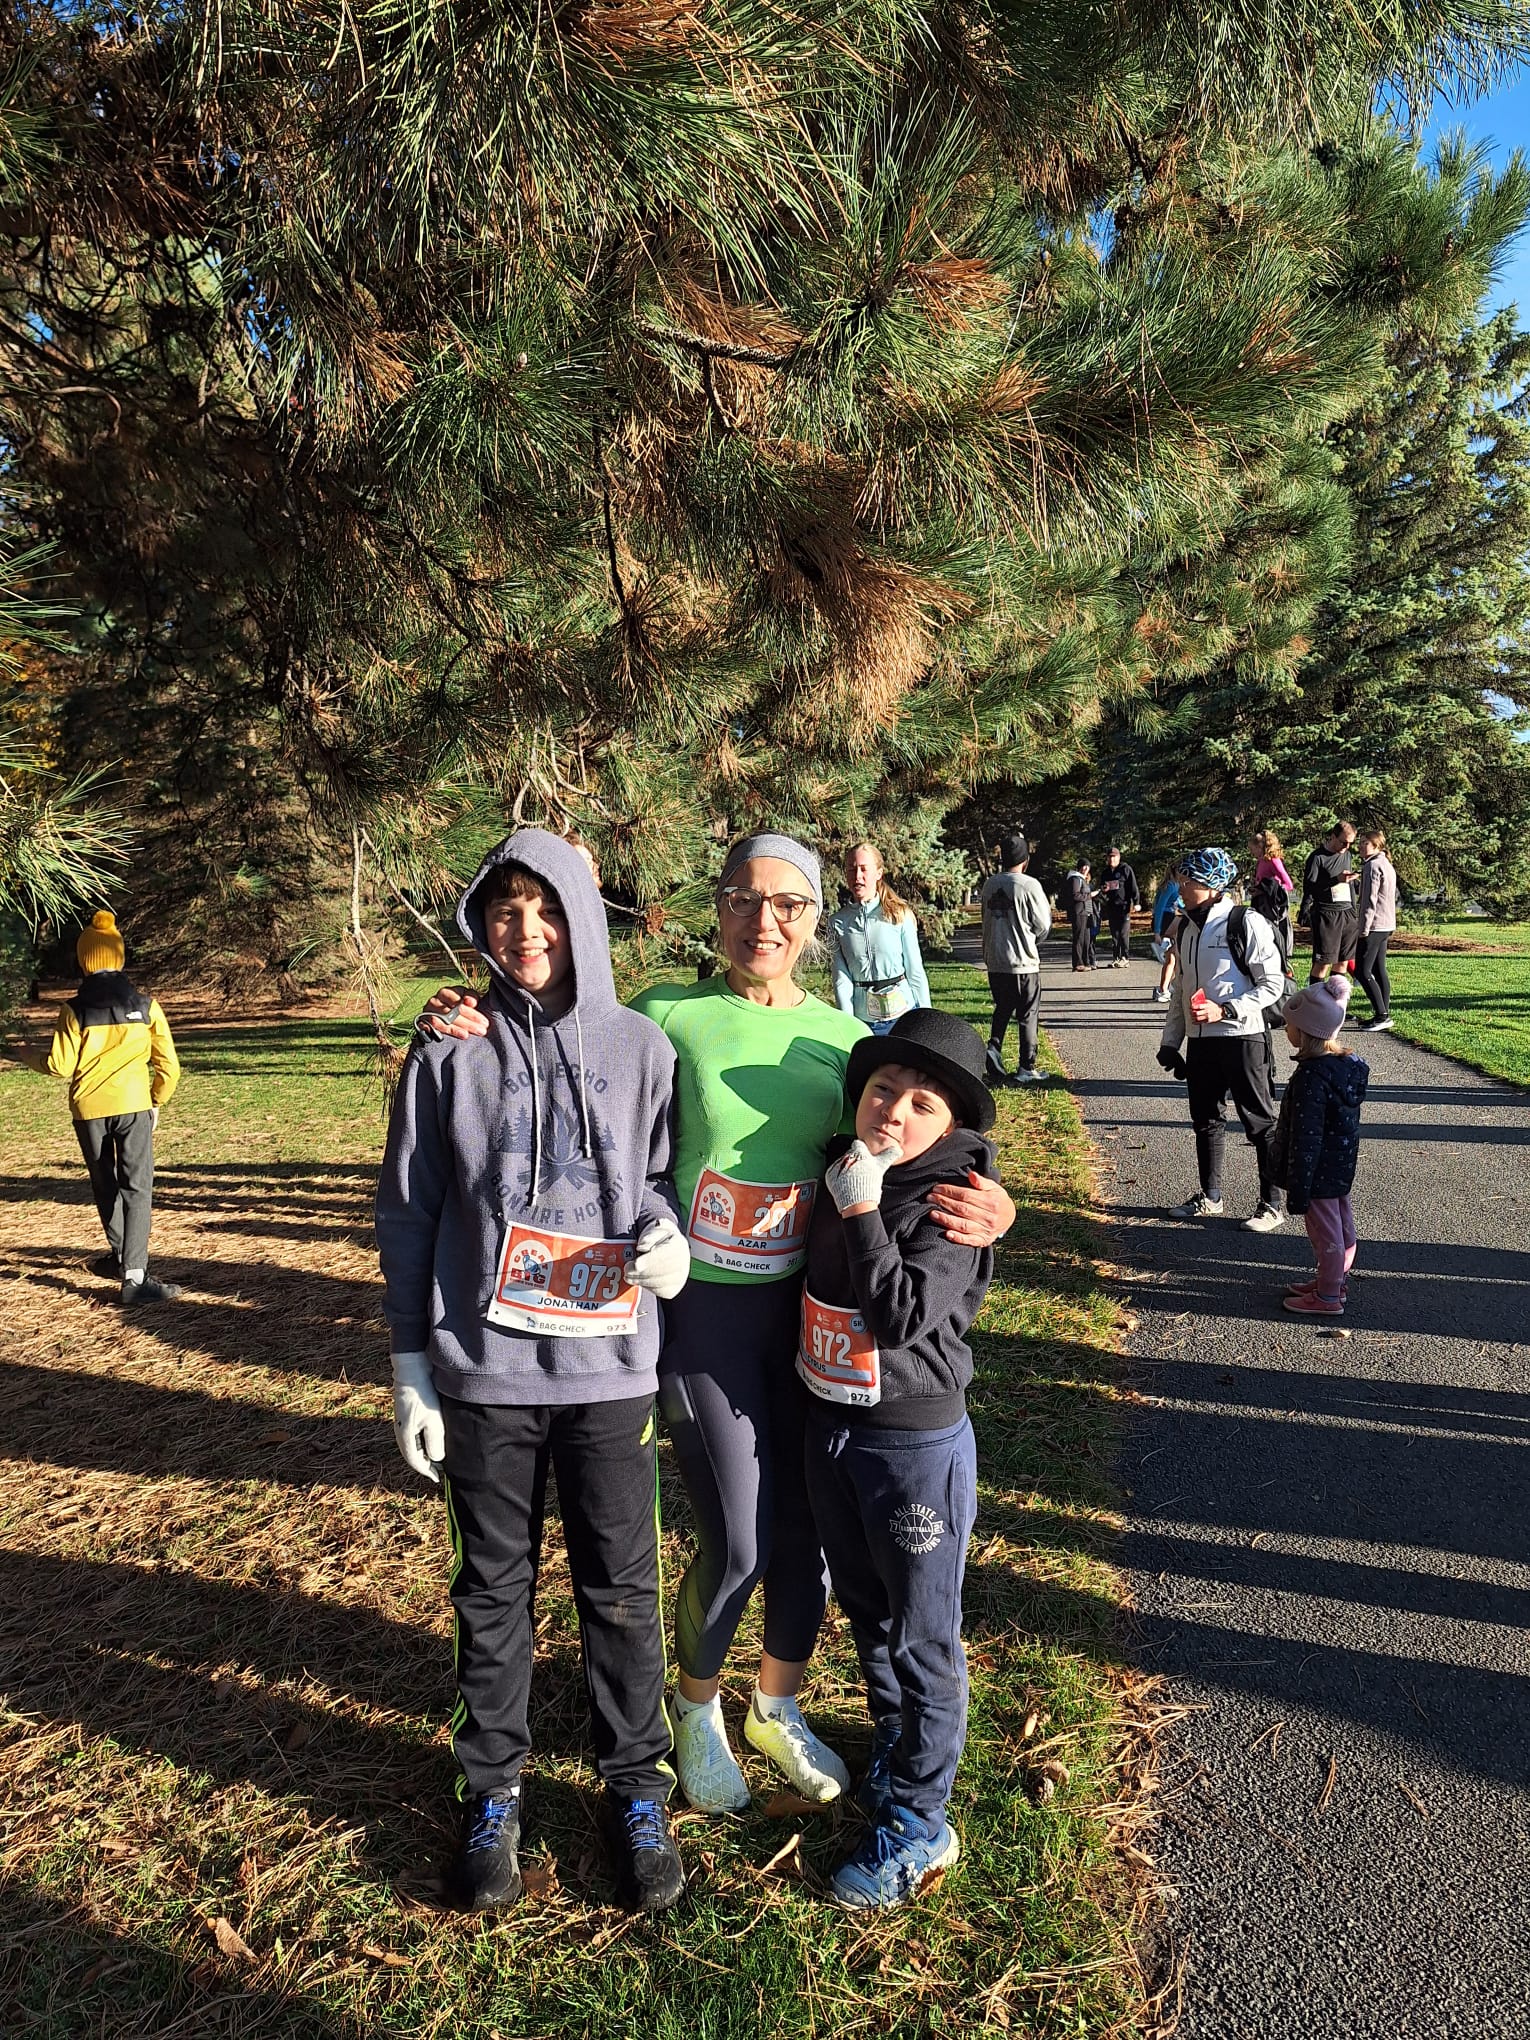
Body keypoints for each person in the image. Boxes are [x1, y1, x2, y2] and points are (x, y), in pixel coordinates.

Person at [415, 834, 1015, 1816]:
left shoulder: (842, 1037)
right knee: (736, 1538)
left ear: (817, 920)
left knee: (805, 1536)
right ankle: (693, 1712)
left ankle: (775, 1705)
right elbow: (559, 1029)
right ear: (718, 906)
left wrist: (1000, 1207)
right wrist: (471, 1009)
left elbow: (922, 1143)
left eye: (787, 905)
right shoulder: (665, 1013)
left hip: (812, 1320)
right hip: (700, 1318)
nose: (762, 921)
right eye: (742, 899)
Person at [377, 831, 691, 1915]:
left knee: (621, 1592)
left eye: (545, 907)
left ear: (582, 916)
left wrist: (664, 1235)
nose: (526, 931)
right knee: (490, 1593)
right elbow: (410, 1211)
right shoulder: (447, 1052)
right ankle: (494, 1788)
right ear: (481, 924)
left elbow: (657, 1174)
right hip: (487, 1378)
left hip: (610, 1377)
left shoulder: (644, 1045)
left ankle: (635, 1788)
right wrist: (412, 1366)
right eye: (504, 910)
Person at [799, 1010, 996, 1910]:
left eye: (922, 1104)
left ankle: (922, 1822)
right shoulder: (849, 1162)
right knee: (870, 1611)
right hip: (834, 1427)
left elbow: (903, 1315)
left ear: (949, 1127)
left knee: (923, 1635)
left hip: (915, 1444)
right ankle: (895, 1745)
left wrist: (864, 1209)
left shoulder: (951, 1201)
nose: (895, 1111)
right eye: (883, 1089)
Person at [30, 909, 182, 1305]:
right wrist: (156, 1099)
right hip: (134, 1105)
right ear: (119, 957)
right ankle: (134, 1276)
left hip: (88, 1109)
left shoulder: (74, 1010)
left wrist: (22, 1054)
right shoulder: (147, 1006)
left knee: (106, 1186)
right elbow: (169, 1065)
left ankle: (121, 1259)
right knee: (138, 1188)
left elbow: (59, 1066)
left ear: (84, 961)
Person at [1157, 847, 1287, 1231]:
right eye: (1181, 880)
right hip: (1201, 1044)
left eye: (1188, 881)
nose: (1180, 888)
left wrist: (1226, 1010)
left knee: (1260, 1123)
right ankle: (1210, 1196)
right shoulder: (1184, 927)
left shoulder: (1244, 922)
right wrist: (1170, 1042)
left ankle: (1272, 1203)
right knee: (1206, 1121)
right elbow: (1182, 990)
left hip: (1244, 1038)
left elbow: (1273, 985)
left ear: (1212, 886)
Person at [1271, 975, 1368, 1317]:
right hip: (1339, 1164)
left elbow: (1307, 1133)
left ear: (1305, 1032)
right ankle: (1334, 1281)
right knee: (1341, 1224)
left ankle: (1328, 1296)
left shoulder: (1312, 1077)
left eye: (1289, 1025)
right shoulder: (1343, 1069)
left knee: (1324, 1232)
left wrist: (1299, 1183)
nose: (1285, 1030)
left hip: (1318, 1168)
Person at [828, 842, 931, 1034]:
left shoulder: (899, 915)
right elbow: (841, 979)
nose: (857, 876)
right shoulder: (837, 923)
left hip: (903, 1017)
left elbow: (915, 970)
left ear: (878, 873)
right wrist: (848, 1025)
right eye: (851, 869)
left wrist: (926, 1019)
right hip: (864, 1022)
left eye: (864, 869)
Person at [978, 833, 1050, 1086]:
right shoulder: (1028, 885)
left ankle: (994, 1047)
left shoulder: (989, 885)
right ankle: (1026, 1065)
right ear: (1025, 860)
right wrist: (1031, 940)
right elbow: (1043, 924)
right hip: (1022, 961)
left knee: (1003, 1006)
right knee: (1027, 1013)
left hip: (995, 960)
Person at [1298, 821, 1358, 983]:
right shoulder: (1317, 858)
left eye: (1350, 843)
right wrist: (1335, 880)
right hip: (1327, 914)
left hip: (1347, 913)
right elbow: (1310, 888)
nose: (1346, 846)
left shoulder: (1347, 855)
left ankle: (1336, 1004)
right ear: (1333, 836)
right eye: (1343, 842)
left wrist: (1354, 911)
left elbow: (1348, 885)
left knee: (1343, 961)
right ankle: (1316, 1002)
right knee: (1323, 962)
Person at [1354, 828, 1397, 1032]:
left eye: (1365, 843)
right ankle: (1382, 1012)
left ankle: (1382, 1015)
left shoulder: (1372, 866)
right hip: (1386, 924)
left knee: (1363, 971)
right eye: (1360, 842)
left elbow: (1369, 902)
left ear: (1376, 845)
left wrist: (1363, 928)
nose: (1361, 846)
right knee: (1379, 969)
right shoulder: (1385, 863)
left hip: (1375, 925)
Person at [1097, 847, 1141, 966]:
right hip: (1111, 907)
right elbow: (1102, 888)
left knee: (1123, 933)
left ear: (1118, 857)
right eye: (1110, 857)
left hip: (1124, 906)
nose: (1112, 859)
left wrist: (1136, 902)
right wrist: (1103, 890)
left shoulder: (1125, 869)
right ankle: (1116, 957)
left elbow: (1133, 886)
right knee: (1114, 934)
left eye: (1114, 857)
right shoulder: (1106, 873)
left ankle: (1125, 958)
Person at [1149, 872, 1181, 1005]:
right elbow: (1160, 907)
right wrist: (1157, 931)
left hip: (1172, 917)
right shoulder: (1170, 886)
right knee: (1172, 955)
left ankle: (1168, 986)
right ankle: (1164, 989)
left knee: (1174, 955)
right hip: (1167, 920)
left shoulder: (1175, 885)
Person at [1061, 858, 1095, 971]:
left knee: (1086, 938)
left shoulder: (1083, 879)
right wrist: (1090, 895)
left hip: (1086, 912)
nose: (1085, 868)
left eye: (1087, 866)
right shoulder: (1075, 878)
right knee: (1079, 937)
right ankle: (1077, 963)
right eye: (1083, 866)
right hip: (1078, 912)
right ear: (1079, 867)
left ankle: (1086, 962)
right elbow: (1075, 895)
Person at [1250, 829, 1295, 895]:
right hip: (1261, 902)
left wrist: (1270, 891)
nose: (1251, 852)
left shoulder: (1273, 861)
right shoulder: (1260, 861)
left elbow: (1289, 885)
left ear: (1259, 847)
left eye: (1252, 849)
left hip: (1272, 903)